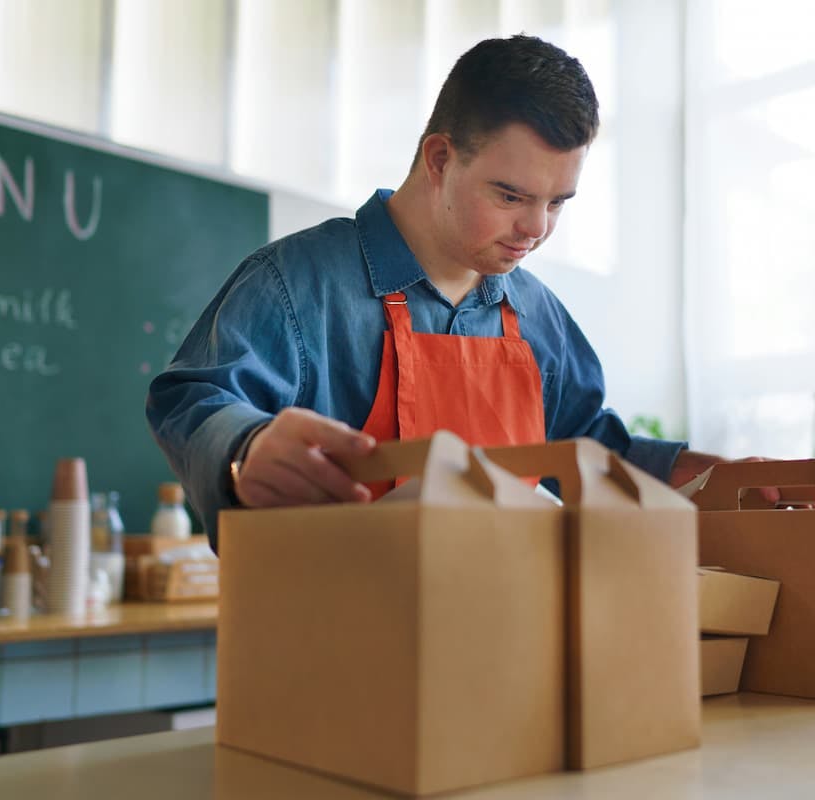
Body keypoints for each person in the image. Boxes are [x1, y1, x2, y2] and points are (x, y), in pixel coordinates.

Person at [146, 34, 737, 550]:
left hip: (503, 650)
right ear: (438, 158)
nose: (537, 229)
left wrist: (705, 478)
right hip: (328, 648)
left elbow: (586, 450)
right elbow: (191, 401)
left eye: (556, 202)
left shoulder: (538, 316)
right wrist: (245, 449)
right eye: (511, 196)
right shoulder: (298, 283)